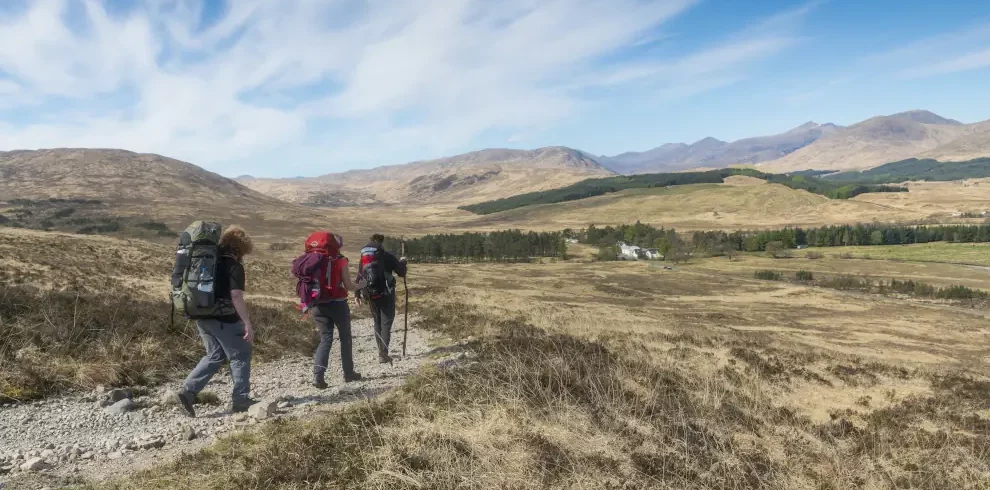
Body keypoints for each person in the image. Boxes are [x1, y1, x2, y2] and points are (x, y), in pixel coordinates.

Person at [173, 225, 257, 417]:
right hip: (224, 318)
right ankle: (241, 400)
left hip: (201, 315)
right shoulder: (234, 266)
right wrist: (247, 322)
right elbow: (236, 296)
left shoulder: (210, 262)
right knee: (241, 354)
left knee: (215, 355)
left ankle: (187, 392)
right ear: (240, 248)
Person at [311, 233, 367, 389]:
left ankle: (318, 376)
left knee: (325, 339)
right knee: (345, 338)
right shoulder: (341, 260)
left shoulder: (313, 259)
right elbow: (349, 286)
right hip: (338, 304)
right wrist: (361, 286)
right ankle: (348, 373)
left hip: (318, 305)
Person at [358, 234, 407, 364]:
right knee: (386, 323)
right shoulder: (388, 256)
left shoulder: (364, 259)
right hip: (386, 293)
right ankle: (383, 353)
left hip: (370, 294)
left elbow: (359, 275)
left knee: (377, 322)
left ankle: (381, 351)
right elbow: (401, 272)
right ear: (381, 242)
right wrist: (403, 262)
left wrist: (357, 294)